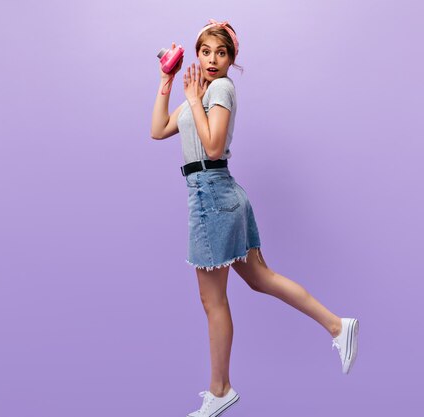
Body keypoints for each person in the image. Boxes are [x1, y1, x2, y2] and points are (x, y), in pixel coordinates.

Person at [150, 19, 360, 417]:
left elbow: (212, 148)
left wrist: (194, 99)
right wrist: (167, 81)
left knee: (213, 301)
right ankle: (338, 326)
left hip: (212, 195)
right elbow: (158, 130)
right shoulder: (203, 90)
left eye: (221, 53)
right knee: (261, 279)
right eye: (206, 52)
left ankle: (220, 389)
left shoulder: (221, 89)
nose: (212, 60)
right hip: (217, 195)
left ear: (232, 59)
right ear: (197, 55)